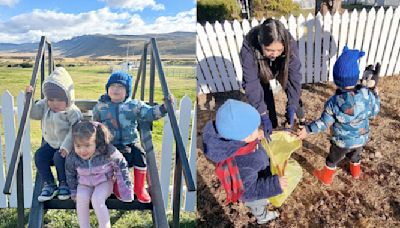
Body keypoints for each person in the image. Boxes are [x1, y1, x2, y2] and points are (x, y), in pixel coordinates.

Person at [297, 46, 381, 185]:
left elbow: (324, 122)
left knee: (332, 159)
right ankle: (355, 173)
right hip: (361, 138)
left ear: (336, 80)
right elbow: (374, 112)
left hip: (341, 142)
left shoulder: (334, 102)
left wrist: (308, 129)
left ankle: (326, 177)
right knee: (355, 155)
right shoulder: (367, 95)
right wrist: (376, 95)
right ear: (356, 77)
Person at [202, 99, 288, 224]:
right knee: (258, 204)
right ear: (242, 138)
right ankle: (262, 216)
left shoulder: (235, 138)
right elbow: (247, 193)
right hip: (255, 192)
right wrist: (274, 185)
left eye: (256, 127)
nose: (257, 130)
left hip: (259, 175)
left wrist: (255, 134)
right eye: (252, 130)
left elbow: (246, 133)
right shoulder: (243, 162)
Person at [92, 71, 167, 203]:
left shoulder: (134, 106)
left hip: (130, 141)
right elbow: (96, 125)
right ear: (107, 89)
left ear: (127, 92)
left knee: (140, 155)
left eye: (120, 87)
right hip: (111, 144)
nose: (116, 89)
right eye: (112, 86)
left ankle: (139, 188)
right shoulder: (101, 107)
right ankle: (119, 187)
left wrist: (164, 108)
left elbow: (149, 113)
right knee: (120, 159)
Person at [240, 18, 305, 140]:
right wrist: (263, 114)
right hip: (260, 68)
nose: (274, 54)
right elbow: (251, 83)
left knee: (294, 95)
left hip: (281, 65)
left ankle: (298, 117)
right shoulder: (249, 46)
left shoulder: (290, 44)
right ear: (261, 43)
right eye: (269, 50)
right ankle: (271, 123)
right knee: (264, 94)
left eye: (279, 50)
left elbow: (294, 77)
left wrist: (292, 106)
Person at [26, 67, 82, 202]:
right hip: (51, 144)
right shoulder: (45, 105)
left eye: (59, 100)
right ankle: (50, 184)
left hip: (68, 147)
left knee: (59, 157)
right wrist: (30, 99)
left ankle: (64, 183)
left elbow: (75, 130)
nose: (55, 103)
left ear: (68, 98)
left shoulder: (72, 111)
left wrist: (67, 147)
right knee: (40, 156)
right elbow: (34, 114)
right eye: (51, 99)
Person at [65, 120, 133, 228]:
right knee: (81, 198)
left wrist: (125, 188)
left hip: (104, 182)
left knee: (97, 199)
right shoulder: (73, 157)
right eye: (78, 146)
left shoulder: (107, 151)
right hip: (84, 183)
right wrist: (73, 190)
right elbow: (70, 174)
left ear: (96, 142)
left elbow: (121, 164)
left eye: (87, 145)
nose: (82, 150)